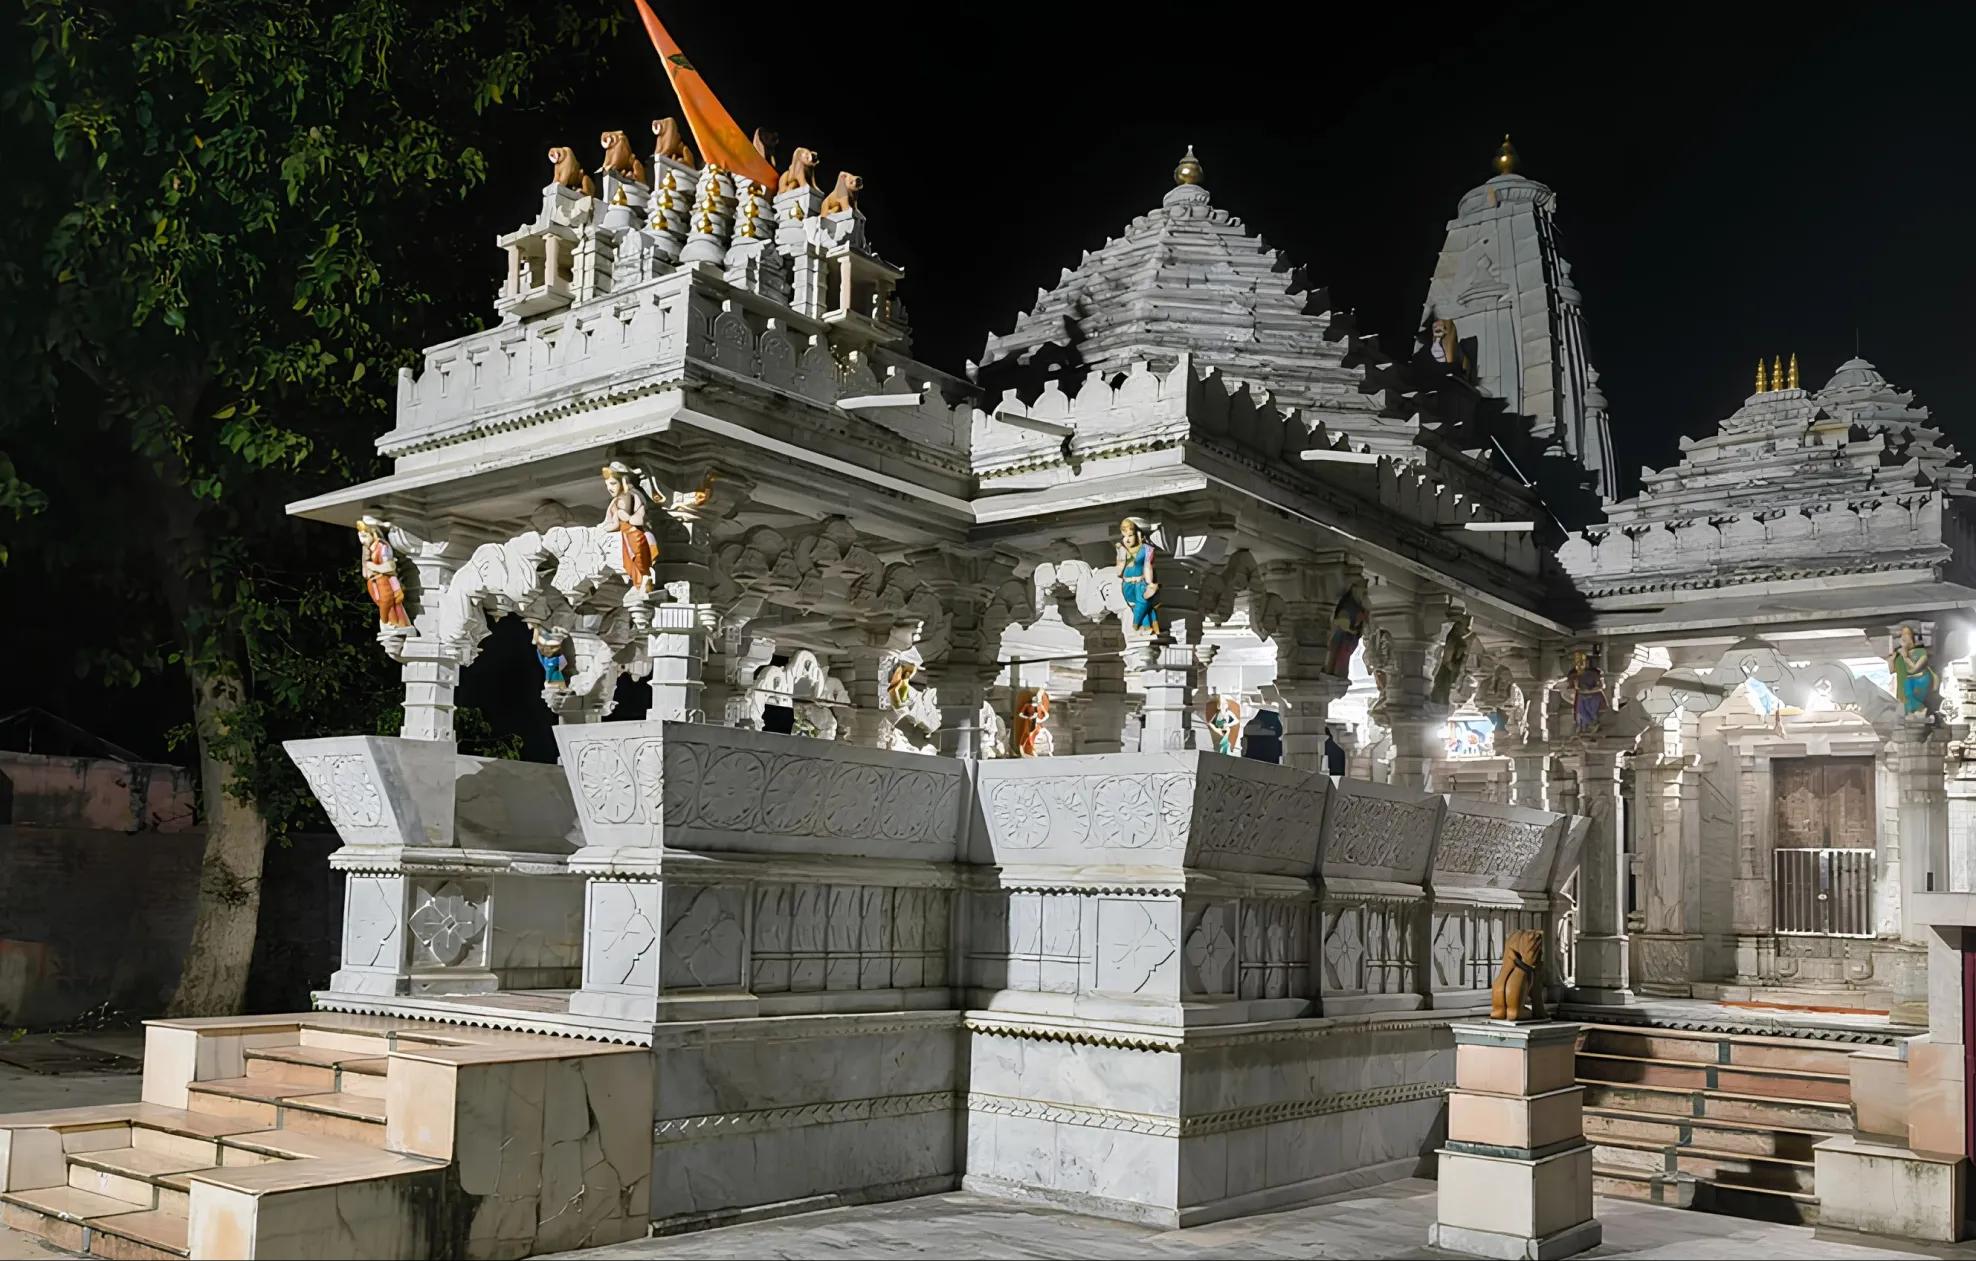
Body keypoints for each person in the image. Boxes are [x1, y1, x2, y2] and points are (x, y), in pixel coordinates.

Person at [599, 462, 661, 592]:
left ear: (623, 481)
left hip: (636, 535)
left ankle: (645, 582)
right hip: (625, 538)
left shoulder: (633, 495)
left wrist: (627, 518)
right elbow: (614, 523)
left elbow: (640, 518)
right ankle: (641, 585)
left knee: (640, 560)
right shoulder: (616, 501)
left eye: (613, 483)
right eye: (607, 485)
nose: (609, 488)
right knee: (630, 564)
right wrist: (601, 529)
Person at [356, 516, 412, 629]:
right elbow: (365, 572)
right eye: (360, 537)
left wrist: (374, 567)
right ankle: (390, 624)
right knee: (385, 606)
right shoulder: (367, 549)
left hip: (385, 583)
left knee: (391, 606)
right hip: (375, 585)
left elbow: (390, 566)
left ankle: (393, 624)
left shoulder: (382, 547)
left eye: (364, 536)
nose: (362, 541)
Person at [1117, 518, 1160, 633]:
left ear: (1138, 534)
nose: (1127, 539)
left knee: (1142, 604)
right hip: (1127, 584)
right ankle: (1148, 627)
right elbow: (1119, 569)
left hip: (1140, 583)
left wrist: (1150, 583)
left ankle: (1138, 625)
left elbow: (1148, 566)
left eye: (1130, 535)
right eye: (1124, 536)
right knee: (1137, 606)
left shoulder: (1147, 549)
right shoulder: (1122, 548)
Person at [1890, 625, 1935, 716]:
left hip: (1917, 686)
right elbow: (1892, 671)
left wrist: (1905, 657)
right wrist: (1891, 659)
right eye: (1902, 634)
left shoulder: (1921, 652)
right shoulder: (1899, 656)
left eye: (1907, 634)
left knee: (1916, 710)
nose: (1903, 636)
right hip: (1902, 691)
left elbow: (1914, 669)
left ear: (1912, 637)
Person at [1566, 648, 1607, 733]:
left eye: (1585, 662)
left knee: (1591, 710)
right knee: (1581, 710)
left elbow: (1602, 686)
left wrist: (1591, 690)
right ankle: (1591, 724)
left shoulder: (1596, 673)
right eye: (1579, 662)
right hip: (1582, 695)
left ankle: (1592, 724)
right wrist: (1576, 685)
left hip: (1594, 695)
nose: (1582, 664)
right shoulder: (1575, 674)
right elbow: (1572, 686)